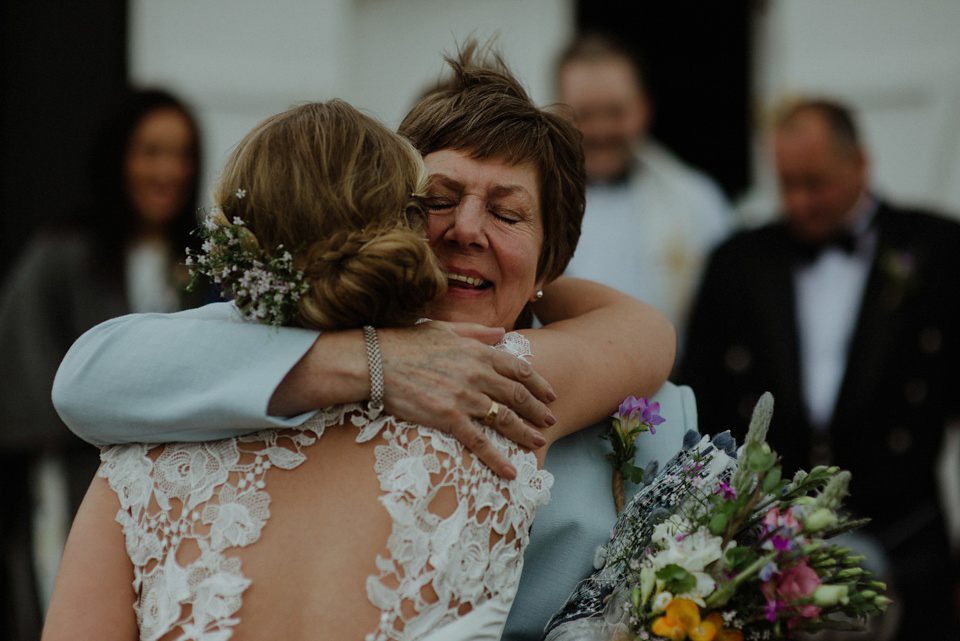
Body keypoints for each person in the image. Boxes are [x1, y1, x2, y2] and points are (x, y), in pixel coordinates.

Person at [45, 49, 683, 640]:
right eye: (438, 201)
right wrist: (375, 361)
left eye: (508, 216)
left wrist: (535, 276)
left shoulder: (139, 455)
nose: (466, 230)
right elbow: (87, 373)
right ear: (390, 219)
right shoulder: (499, 388)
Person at [679, 98, 960, 639]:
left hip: (908, 535)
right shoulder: (736, 262)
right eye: (787, 184)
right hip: (772, 550)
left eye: (816, 183)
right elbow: (702, 410)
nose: (800, 202)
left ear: (860, 163)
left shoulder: (939, 249)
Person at [0, 87, 205, 637]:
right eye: (151, 151)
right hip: (77, 482)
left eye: (181, 154)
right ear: (120, 158)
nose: (168, 169)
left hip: (186, 486)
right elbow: (24, 363)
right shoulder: (63, 254)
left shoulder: (207, 262)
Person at [555, 33, 733, 346]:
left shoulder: (695, 200)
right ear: (556, 114)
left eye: (614, 112)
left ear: (643, 109)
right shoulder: (532, 201)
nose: (600, 130)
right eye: (583, 114)